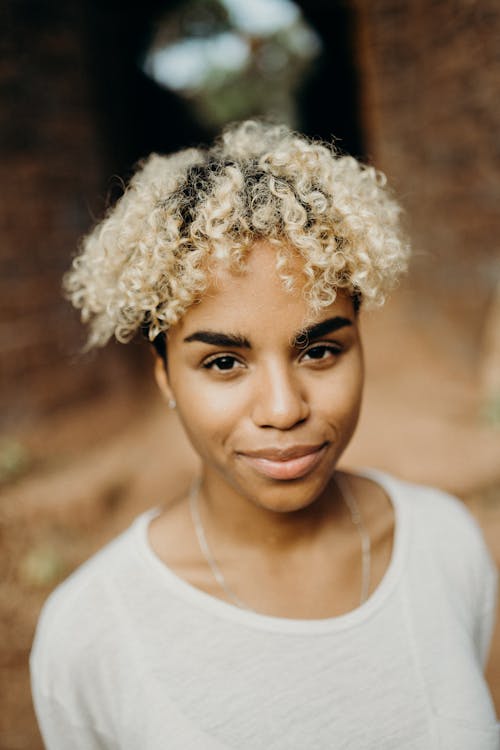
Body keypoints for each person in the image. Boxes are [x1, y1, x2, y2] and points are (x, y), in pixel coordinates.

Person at [30, 121, 498, 749]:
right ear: (165, 376)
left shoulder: (445, 544)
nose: (282, 409)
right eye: (224, 363)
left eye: (321, 351)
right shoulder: (92, 632)